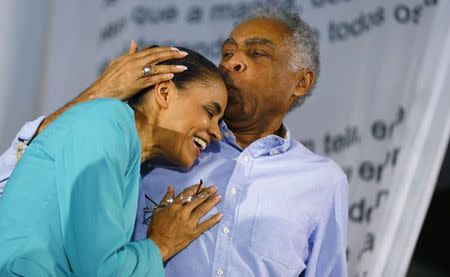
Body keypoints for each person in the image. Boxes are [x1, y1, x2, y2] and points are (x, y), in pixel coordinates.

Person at [0, 6, 348, 277]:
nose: (232, 62)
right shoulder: (146, 141)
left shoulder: (322, 182)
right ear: (165, 92)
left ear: (301, 82)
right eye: (227, 52)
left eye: (257, 53)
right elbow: (18, 175)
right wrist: (99, 93)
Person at [0, 46, 227, 276]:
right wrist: (162, 244)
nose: (218, 133)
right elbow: (102, 270)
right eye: (210, 112)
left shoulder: (122, 144)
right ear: (165, 92)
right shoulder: (105, 125)